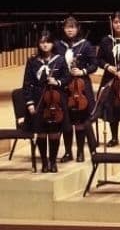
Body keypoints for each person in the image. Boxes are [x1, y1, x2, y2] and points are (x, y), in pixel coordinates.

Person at [23, 31, 67, 172]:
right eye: (42, 42)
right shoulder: (32, 61)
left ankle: (53, 162)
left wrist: (57, 81)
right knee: (41, 132)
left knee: (54, 132)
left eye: (47, 42)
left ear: (52, 44)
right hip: (38, 99)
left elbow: (67, 78)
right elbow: (27, 83)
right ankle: (44, 162)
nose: (45, 45)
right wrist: (30, 103)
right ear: (38, 44)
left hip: (55, 100)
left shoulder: (59, 60)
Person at [56, 16, 96, 164]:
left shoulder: (85, 45)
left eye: (72, 27)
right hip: (64, 87)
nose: (70, 30)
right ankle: (68, 152)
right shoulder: (58, 45)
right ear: (64, 29)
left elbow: (94, 65)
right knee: (66, 120)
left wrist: (82, 71)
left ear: (77, 28)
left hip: (81, 87)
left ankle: (80, 152)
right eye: (67, 27)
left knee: (79, 120)